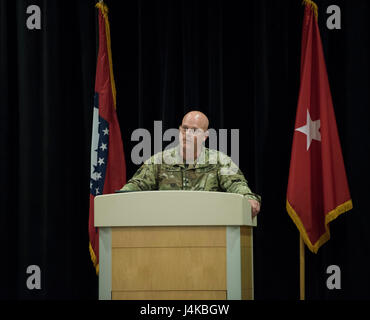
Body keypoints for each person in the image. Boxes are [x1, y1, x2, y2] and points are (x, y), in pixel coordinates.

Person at [121, 111, 261, 216]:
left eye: (194, 130)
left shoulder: (220, 161)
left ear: (205, 136)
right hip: (166, 230)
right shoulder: (158, 161)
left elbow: (236, 184)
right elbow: (137, 184)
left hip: (208, 230)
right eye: (184, 128)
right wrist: (120, 197)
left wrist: (248, 198)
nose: (187, 134)